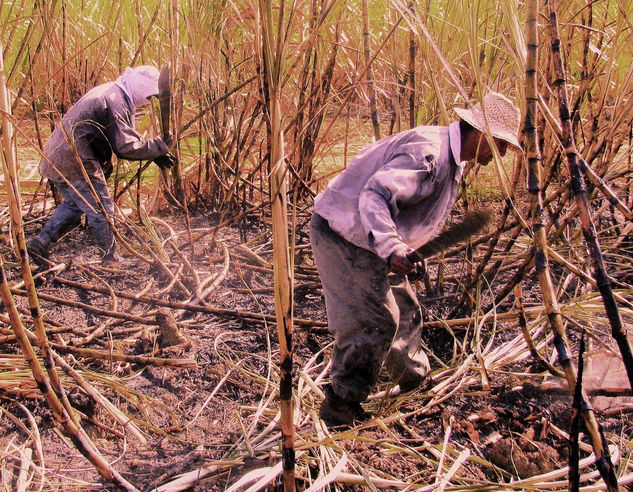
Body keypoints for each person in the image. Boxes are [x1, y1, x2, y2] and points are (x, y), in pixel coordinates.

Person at [310, 91, 522, 427]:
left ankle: (414, 381)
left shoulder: (451, 158)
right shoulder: (428, 155)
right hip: (345, 236)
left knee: (405, 313)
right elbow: (375, 196)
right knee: (376, 320)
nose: (504, 154)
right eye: (501, 144)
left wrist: (405, 250)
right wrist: (393, 247)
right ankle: (341, 403)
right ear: (482, 135)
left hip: (374, 240)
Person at [27, 65, 176, 267]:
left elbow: (122, 134)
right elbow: (124, 147)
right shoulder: (115, 100)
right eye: (150, 95)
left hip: (59, 158)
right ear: (142, 87)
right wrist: (159, 146)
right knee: (101, 208)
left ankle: (40, 242)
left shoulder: (114, 93)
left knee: (75, 204)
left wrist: (155, 153)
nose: (149, 101)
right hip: (75, 160)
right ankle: (110, 258)